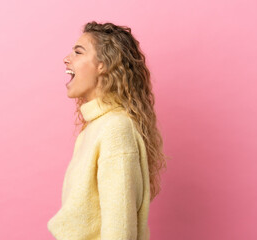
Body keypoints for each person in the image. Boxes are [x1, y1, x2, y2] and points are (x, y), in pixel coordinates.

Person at [47, 21, 168, 240]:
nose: (67, 58)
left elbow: (120, 229)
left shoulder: (116, 129)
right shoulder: (94, 129)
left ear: (103, 64)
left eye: (78, 52)